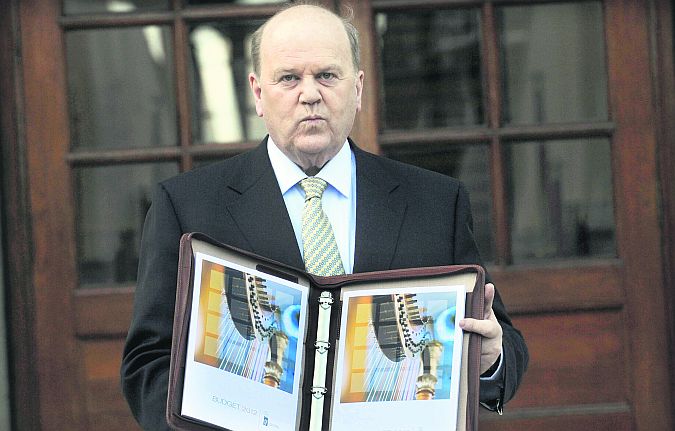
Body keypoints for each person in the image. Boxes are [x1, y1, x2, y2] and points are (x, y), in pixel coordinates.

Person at [121, 3, 528, 429]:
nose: (310, 94)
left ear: (358, 88)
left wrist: (490, 360)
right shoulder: (187, 206)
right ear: (258, 93)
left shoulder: (436, 203)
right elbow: (147, 363)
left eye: (327, 76)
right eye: (289, 78)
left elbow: (504, 354)